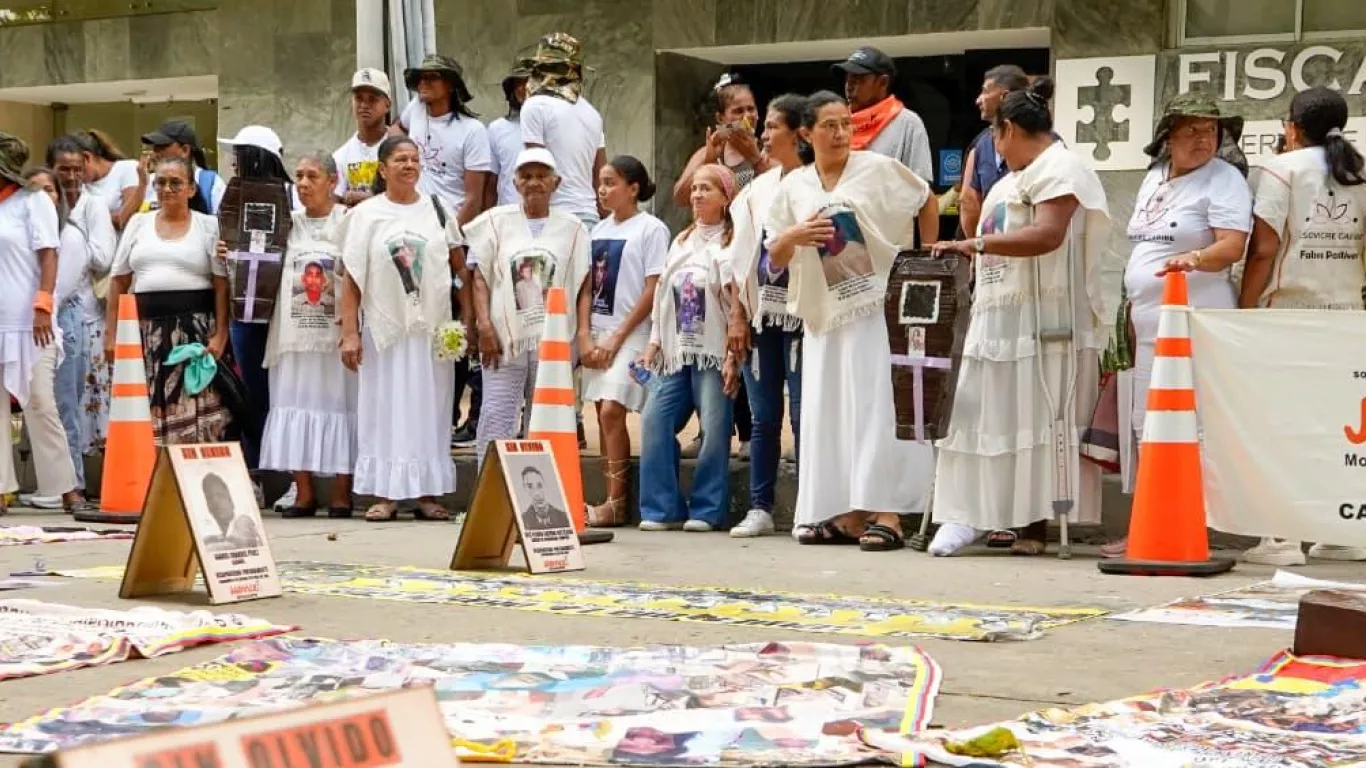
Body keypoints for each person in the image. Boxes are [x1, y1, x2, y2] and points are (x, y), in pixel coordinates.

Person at [928, 77, 1111, 557]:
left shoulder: (1063, 168)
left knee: (1036, 419)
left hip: (1044, 318)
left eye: (994, 135)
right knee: (982, 413)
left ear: (1006, 128)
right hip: (997, 315)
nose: (995, 148)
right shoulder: (1008, 180)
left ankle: (1033, 524)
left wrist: (976, 243)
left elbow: (1049, 235)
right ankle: (964, 513)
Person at [765, 92, 939, 552]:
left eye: (846, 124)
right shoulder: (793, 186)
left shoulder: (876, 168)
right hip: (824, 315)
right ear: (806, 132)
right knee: (831, 410)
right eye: (829, 126)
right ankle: (846, 512)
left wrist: (923, 259)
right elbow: (774, 255)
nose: (841, 133)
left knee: (877, 406)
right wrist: (794, 235)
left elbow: (925, 199)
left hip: (874, 306)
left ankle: (889, 513)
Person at [1101, 93, 1251, 559]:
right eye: (1191, 131)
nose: (1202, 140)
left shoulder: (1224, 180)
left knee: (1191, 424)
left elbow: (1233, 246)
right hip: (1148, 320)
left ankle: (1188, 526)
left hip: (1194, 317)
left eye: (1210, 131)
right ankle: (1150, 524)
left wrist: (1196, 258)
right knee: (1147, 422)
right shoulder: (1153, 178)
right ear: (1169, 136)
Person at [1238, 86, 1366, 565]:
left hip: (1289, 315)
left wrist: (1245, 306)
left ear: (1291, 126)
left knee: (1282, 426)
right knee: (1337, 427)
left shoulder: (1281, 169)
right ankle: (1343, 533)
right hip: (1347, 313)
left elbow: (1265, 248)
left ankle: (1282, 539)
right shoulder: (1359, 171)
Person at [338, 135, 470, 522]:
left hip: (432, 331)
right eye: (400, 159)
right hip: (385, 330)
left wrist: (468, 322)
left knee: (430, 407)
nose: (409, 165)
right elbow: (351, 279)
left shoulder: (438, 207)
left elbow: (460, 267)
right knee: (384, 407)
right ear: (382, 168)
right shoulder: (365, 215)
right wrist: (350, 332)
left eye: (414, 159)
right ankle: (386, 494)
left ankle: (427, 493)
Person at [636, 164, 743, 533]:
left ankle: (707, 508)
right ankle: (661, 508)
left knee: (714, 428)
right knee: (654, 419)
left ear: (725, 199)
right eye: (694, 188)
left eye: (707, 189)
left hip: (715, 352)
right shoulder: (680, 241)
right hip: (674, 350)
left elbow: (736, 303)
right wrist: (652, 345)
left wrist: (733, 355)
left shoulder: (733, 242)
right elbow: (663, 298)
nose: (696, 195)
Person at [468, 148, 589, 464]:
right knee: (495, 413)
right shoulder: (495, 222)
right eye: (527, 176)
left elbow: (583, 284)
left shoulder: (574, 228)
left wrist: (582, 337)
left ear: (556, 182)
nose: (534, 183)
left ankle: (537, 498)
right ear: (515, 182)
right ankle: (490, 494)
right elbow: (479, 277)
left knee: (545, 419)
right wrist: (483, 326)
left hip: (553, 341)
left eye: (541, 176)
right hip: (503, 338)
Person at [108, 156, 238, 445]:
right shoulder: (138, 224)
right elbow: (118, 281)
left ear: (191, 189)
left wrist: (220, 334)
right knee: (148, 411)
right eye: (161, 182)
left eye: (176, 183)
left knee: (196, 409)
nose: (167, 189)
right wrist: (111, 335)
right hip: (145, 335)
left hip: (193, 334)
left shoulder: (208, 226)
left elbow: (221, 285)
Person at [726, 94, 808, 539]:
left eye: (772, 126)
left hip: (803, 319)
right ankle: (760, 507)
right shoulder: (756, 189)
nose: (763, 134)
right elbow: (739, 259)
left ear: (798, 133)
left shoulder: (818, 183)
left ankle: (810, 508)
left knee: (804, 413)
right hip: (761, 319)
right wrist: (737, 316)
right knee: (763, 417)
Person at [258, 152, 356, 519]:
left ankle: (342, 492)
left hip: (334, 335)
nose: (302, 184)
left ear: (333, 181)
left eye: (311, 176)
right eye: (297, 176)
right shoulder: (285, 224)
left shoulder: (349, 221)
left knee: (341, 403)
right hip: (293, 336)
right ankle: (303, 491)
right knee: (294, 402)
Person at [581, 156, 669, 527]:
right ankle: (610, 499)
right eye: (600, 183)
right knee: (602, 414)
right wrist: (586, 335)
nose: (603, 190)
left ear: (633, 188)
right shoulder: (597, 230)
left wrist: (619, 335)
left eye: (611, 182)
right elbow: (586, 287)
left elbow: (653, 287)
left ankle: (618, 500)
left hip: (632, 333)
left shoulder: (651, 229)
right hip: (598, 334)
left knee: (613, 410)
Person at [0, 145, 78, 517]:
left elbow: (49, 253)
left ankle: (65, 488)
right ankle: (1, 490)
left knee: (41, 402)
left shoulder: (33, 202)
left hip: (31, 321)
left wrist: (43, 304)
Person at [218, 125, 292, 492]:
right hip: (243, 313)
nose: (235, 162)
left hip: (283, 313)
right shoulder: (231, 195)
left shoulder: (291, 197)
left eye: (240, 154)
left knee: (282, 391)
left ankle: (284, 471)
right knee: (250, 393)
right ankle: (256, 469)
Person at [47, 138, 117, 511]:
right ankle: (63, 483)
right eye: (64, 169)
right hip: (53, 318)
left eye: (77, 168)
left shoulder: (93, 207)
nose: (71, 176)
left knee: (94, 406)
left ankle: (102, 487)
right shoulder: (44, 206)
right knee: (62, 405)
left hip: (88, 317)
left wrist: (70, 240)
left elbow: (105, 257)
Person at [392, 54, 492, 227]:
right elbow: (395, 128)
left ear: (450, 85)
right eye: (421, 78)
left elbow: (473, 199)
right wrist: (407, 152)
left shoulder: (472, 130)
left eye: (433, 77)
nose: (423, 82)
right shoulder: (417, 107)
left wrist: (451, 239)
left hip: (449, 224)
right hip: (411, 222)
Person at [520, 32, 607, 228]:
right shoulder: (592, 113)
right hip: (588, 216)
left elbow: (536, 168)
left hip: (553, 216)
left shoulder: (535, 106)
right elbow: (600, 174)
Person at [833, 46, 934, 185]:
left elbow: (920, 188)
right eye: (848, 79)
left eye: (859, 79)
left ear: (883, 82)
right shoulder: (837, 123)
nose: (849, 86)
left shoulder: (908, 124)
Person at [672, 73, 770, 206]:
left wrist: (756, 160)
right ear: (720, 118)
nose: (747, 117)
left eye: (751, 109)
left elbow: (783, 189)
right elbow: (680, 197)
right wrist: (707, 162)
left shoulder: (769, 148)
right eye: (738, 111)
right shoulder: (709, 151)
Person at [960, 65, 1032, 237]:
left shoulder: (1042, 142)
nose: (978, 100)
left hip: (1024, 247)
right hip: (996, 249)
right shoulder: (981, 144)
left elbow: (968, 201)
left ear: (1005, 96)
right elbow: (968, 200)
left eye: (985, 92)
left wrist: (978, 248)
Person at [139, 120, 226, 214]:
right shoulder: (147, 182)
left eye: (162, 147)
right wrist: (141, 185)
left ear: (185, 150)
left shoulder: (212, 184)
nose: (155, 154)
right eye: (155, 148)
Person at [334, 67, 393, 207]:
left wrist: (363, 198)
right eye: (359, 98)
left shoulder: (400, 149)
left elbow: (405, 196)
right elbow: (335, 204)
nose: (364, 105)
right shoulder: (341, 155)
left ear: (388, 105)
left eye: (372, 99)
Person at [487, 58, 534, 209]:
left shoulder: (555, 126)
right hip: (509, 218)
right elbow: (491, 183)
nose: (524, 88)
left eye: (530, 81)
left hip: (550, 217)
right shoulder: (497, 129)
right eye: (518, 84)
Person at [75, 129, 141, 229]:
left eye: (77, 168)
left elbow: (127, 217)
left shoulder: (128, 168)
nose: (75, 175)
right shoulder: (79, 185)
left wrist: (91, 218)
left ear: (87, 157)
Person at [199, 472, 264, 551]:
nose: (215, 502)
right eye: (209, 498)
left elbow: (238, 545)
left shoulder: (243, 520)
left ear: (230, 499)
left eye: (220, 495)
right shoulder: (218, 534)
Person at [519, 465, 571, 531]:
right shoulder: (522, 521)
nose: (537, 492)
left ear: (545, 485)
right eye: (530, 487)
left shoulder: (564, 517)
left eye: (539, 485)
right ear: (525, 489)